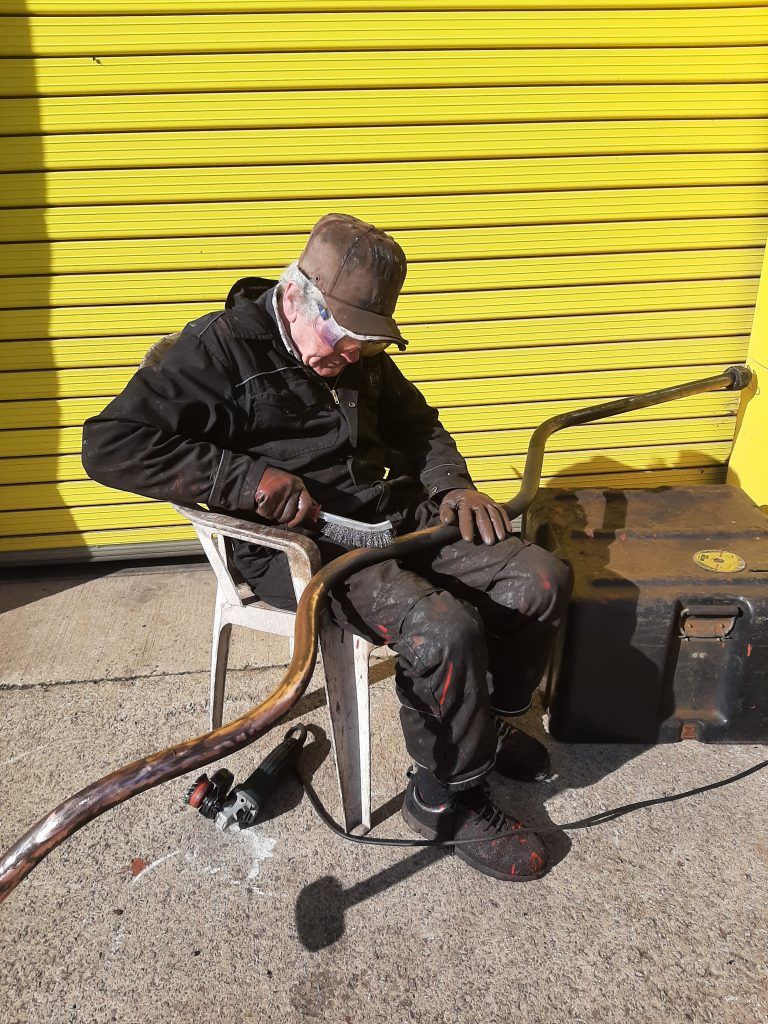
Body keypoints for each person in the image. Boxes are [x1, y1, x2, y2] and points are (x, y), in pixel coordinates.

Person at [82, 213, 570, 882]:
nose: (350, 355)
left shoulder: (356, 351)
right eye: (340, 337)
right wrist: (246, 479)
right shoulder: (216, 351)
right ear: (297, 290)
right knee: (442, 630)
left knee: (539, 579)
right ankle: (444, 798)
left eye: (364, 344)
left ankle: (483, 723)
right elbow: (109, 445)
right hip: (302, 548)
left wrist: (454, 486)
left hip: (395, 514)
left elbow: (419, 425)